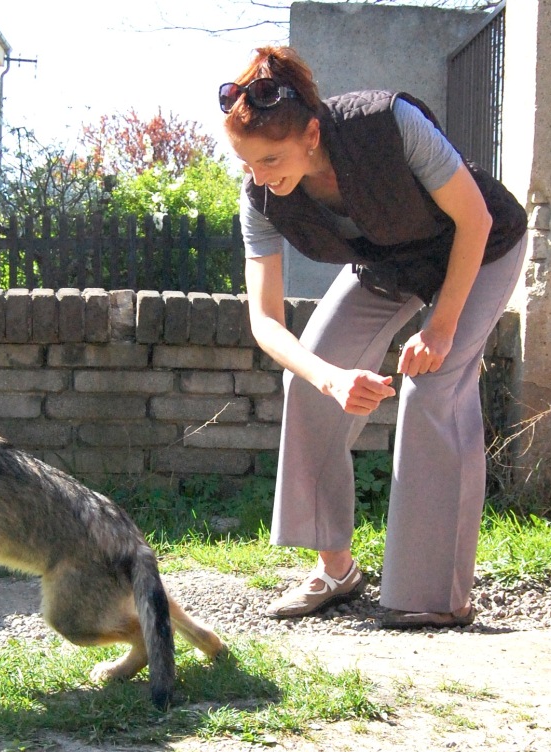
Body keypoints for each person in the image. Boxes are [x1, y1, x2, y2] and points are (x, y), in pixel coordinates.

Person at [220, 46, 527, 629]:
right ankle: (336, 568)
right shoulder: (258, 197)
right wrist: (329, 376)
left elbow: (475, 221)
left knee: (431, 390)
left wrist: (439, 329)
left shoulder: (388, 125)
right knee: (307, 379)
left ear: (312, 133)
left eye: (270, 158)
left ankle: (435, 595)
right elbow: (265, 322)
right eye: (246, 162)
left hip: (482, 247)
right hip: (389, 265)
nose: (258, 176)